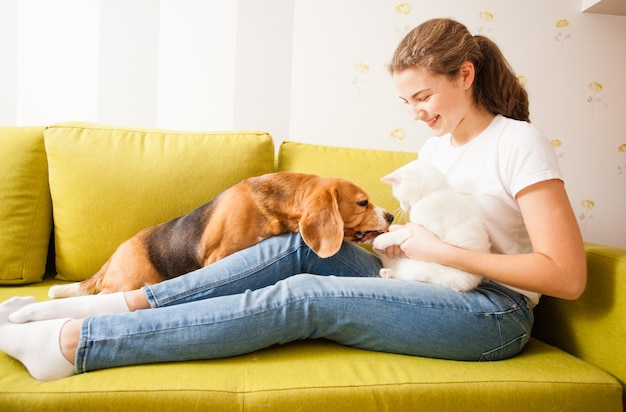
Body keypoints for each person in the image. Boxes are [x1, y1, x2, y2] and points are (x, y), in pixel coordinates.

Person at [0, 18, 586, 382]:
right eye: (406, 102)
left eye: (424, 96)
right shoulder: (434, 153)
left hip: (492, 315)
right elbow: (422, 251)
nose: (416, 113)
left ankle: (80, 344)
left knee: (306, 295)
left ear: (466, 75)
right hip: (422, 282)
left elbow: (566, 277)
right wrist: (395, 244)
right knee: (300, 248)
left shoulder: (518, 142)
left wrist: (444, 252)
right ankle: (105, 307)